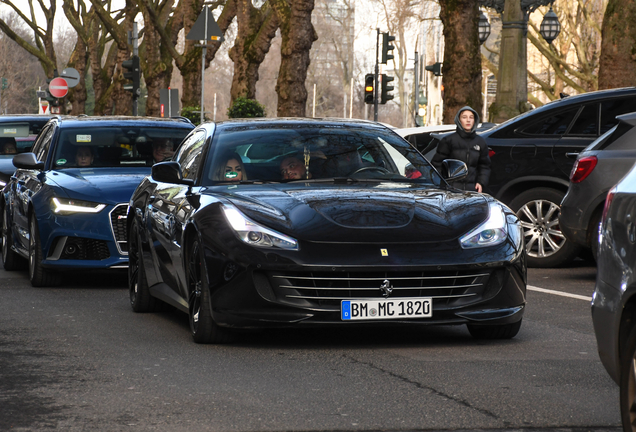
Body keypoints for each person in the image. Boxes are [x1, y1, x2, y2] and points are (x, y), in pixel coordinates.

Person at [431, 106, 490, 193]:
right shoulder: (448, 140)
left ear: (475, 120)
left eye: (471, 117)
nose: (468, 120)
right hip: (451, 190)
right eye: (464, 117)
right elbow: (437, 164)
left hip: (472, 191)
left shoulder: (480, 142)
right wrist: (442, 184)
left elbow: (485, 166)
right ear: (459, 120)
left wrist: (481, 182)